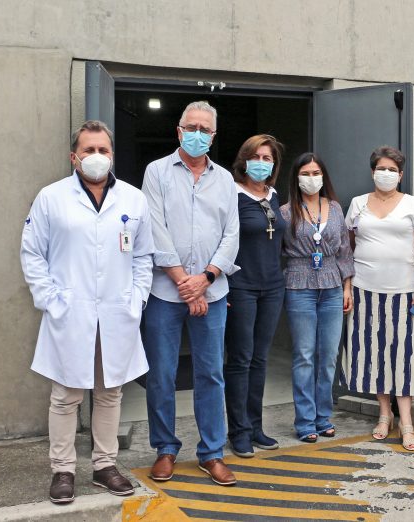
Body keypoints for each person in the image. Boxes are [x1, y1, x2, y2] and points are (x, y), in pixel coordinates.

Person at [21, 120, 154, 504]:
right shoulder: (51, 198)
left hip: (117, 311)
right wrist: (50, 298)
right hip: (69, 310)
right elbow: (32, 253)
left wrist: (137, 297)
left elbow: (144, 255)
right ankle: (62, 470)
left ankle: (104, 465)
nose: (97, 157)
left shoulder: (132, 199)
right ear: (74, 156)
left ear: (112, 155)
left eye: (104, 150)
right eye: (89, 150)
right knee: (65, 395)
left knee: (110, 392)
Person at [141, 101, 239, 486]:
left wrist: (207, 279)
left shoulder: (226, 180)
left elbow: (231, 234)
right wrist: (185, 281)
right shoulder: (157, 172)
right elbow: (155, 227)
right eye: (191, 126)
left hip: (212, 292)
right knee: (161, 374)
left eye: (205, 129)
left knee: (211, 374)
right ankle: (165, 448)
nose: (198, 133)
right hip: (166, 291)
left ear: (213, 136)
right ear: (178, 130)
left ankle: (212, 453)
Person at [341, 146, 414, 451]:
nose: (386, 173)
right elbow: (348, 246)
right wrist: (348, 286)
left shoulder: (413, 204)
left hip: (404, 292)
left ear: (401, 174)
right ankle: (384, 414)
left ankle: (406, 421)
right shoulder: (357, 204)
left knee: (404, 354)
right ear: (372, 172)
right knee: (373, 353)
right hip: (366, 290)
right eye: (381, 168)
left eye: (393, 169)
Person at [280, 153, 354, 442]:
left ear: (324, 176)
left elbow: (345, 250)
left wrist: (347, 287)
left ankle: (324, 416)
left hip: (333, 285)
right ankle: (305, 420)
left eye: (316, 173)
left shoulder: (335, 208)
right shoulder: (286, 212)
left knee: (329, 356)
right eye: (306, 173)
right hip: (299, 284)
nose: (312, 178)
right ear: (296, 177)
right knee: (305, 355)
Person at [224, 134, 286, 457]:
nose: (261, 163)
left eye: (267, 158)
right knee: (240, 359)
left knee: (260, 359)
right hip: (242, 287)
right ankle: (239, 431)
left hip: (272, 287)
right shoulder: (231, 195)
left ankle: (256, 425)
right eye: (256, 157)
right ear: (244, 159)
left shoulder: (273, 196)